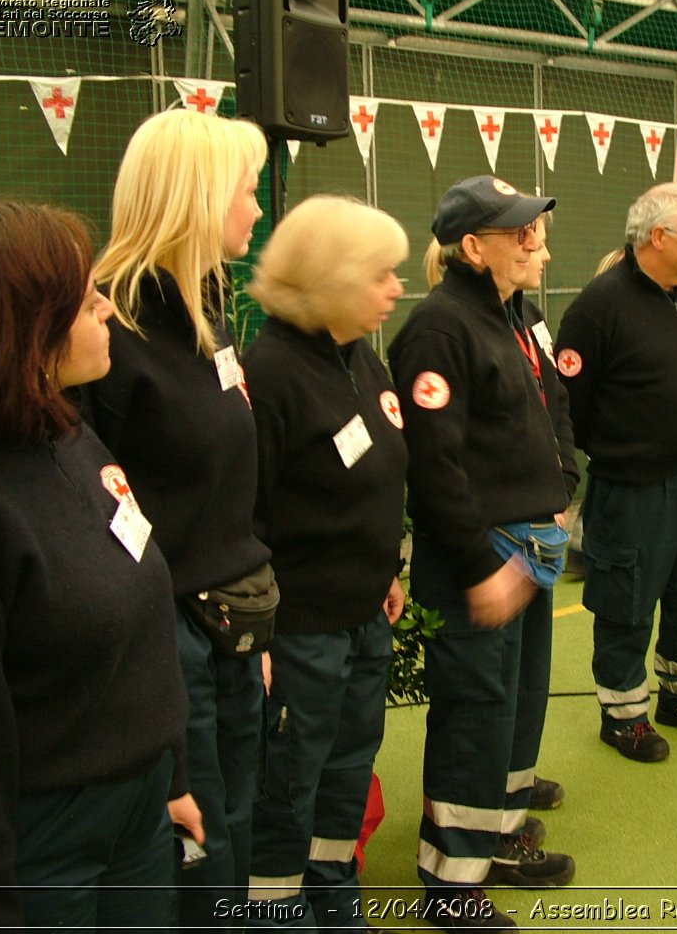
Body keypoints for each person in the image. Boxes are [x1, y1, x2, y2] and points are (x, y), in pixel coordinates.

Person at [0, 201, 187, 928]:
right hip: (42, 840)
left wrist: (168, 774)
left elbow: (135, 611)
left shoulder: (69, 436)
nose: (109, 313)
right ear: (24, 329)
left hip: (136, 810)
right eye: (87, 303)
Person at [85, 108, 271, 926]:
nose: (258, 210)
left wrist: (250, 628)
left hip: (229, 626)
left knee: (234, 818)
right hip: (164, 642)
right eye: (247, 191)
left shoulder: (208, 313)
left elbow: (223, 488)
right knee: (189, 836)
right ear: (197, 198)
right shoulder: (107, 333)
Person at [388, 176, 579, 928]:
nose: (537, 240)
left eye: (534, 226)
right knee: (475, 712)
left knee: (518, 704)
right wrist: (479, 568)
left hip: (531, 543)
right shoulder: (439, 331)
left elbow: (553, 407)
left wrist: (561, 484)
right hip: (484, 555)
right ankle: (451, 883)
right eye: (520, 231)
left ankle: (496, 838)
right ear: (474, 248)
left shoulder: (519, 317)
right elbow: (433, 469)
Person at [238, 195, 409, 925]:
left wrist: (388, 571)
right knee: (289, 782)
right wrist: (267, 635)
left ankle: (335, 897)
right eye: (381, 275)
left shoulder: (359, 356)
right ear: (332, 280)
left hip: (363, 614)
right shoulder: (272, 371)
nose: (396, 289)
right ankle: (277, 912)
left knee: (345, 773)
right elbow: (247, 513)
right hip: (302, 629)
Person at [555, 182, 677, 763]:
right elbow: (569, 406)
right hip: (634, 489)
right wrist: (623, 451)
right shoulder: (597, 308)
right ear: (657, 238)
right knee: (627, 600)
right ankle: (624, 714)